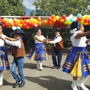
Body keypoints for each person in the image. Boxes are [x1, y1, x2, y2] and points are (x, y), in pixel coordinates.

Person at [62, 21, 90, 90]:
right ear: (79, 27)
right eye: (83, 26)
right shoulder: (77, 34)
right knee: (77, 71)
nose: (84, 27)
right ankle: (73, 84)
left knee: (86, 70)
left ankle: (80, 83)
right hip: (77, 54)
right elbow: (84, 34)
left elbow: (86, 41)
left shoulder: (81, 35)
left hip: (83, 54)